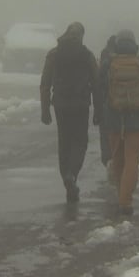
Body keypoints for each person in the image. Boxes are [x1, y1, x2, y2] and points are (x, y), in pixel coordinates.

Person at [40, 22, 101, 203]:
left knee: (64, 143)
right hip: (80, 105)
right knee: (80, 142)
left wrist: (45, 110)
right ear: (81, 35)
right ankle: (72, 175)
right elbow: (97, 84)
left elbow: (45, 84)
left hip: (60, 105)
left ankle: (67, 178)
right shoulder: (87, 55)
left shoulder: (54, 54)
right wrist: (98, 110)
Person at [99, 29, 139, 216]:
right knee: (132, 159)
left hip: (113, 119)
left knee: (117, 158)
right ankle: (126, 200)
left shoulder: (108, 63)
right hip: (136, 120)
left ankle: (121, 194)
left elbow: (100, 89)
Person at [98, 35, 118, 168]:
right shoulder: (127, 57)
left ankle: (108, 159)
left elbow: (99, 80)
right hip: (121, 102)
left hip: (106, 101)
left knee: (105, 132)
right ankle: (117, 159)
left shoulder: (104, 56)